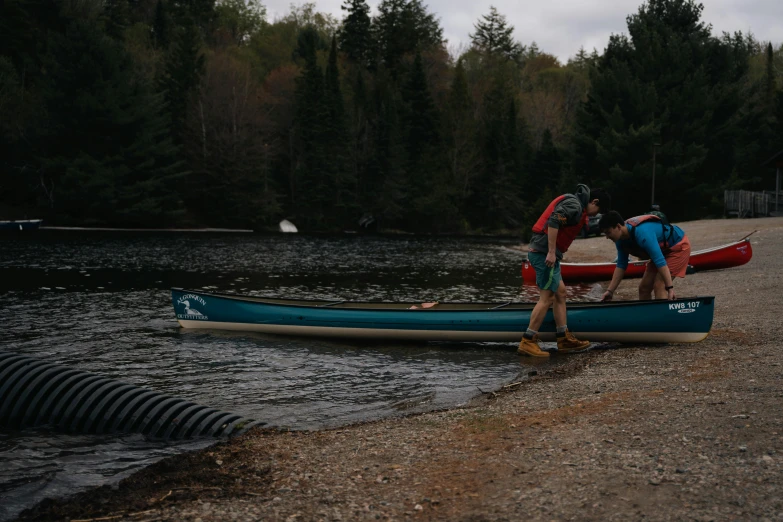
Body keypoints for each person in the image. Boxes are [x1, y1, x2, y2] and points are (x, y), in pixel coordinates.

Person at [518, 185, 612, 357]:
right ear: (594, 201)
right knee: (547, 298)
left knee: (560, 293)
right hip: (543, 254)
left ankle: (563, 339)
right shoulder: (575, 205)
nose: (594, 215)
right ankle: (528, 341)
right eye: (598, 210)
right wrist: (552, 252)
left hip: (545, 253)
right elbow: (554, 221)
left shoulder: (577, 205)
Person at [598, 211, 691, 301]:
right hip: (662, 251)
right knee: (644, 288)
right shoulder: (620, 240)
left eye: (608, 232)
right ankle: (647, 315)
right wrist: (610, 291)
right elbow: (621, 265)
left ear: (618, 226)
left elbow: (660, 261)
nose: (607, 237)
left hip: (677, 247)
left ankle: (662, 315)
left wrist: (670, 288)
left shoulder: (642, 233)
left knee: (659, 285)